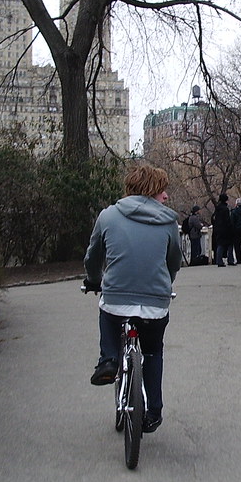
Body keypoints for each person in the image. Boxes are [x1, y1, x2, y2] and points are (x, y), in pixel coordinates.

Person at [84, 165, 181, 433]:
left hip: (116, 297)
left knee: (108, 313)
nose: (166, 196)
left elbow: (93, 256)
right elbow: (174, 261)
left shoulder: (108, 216)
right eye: (162, 190)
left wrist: (93, 280)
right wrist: (166, 283)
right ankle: (154, 411)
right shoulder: (169, 222)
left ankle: (108, 359)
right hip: (155, 303)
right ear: (151, 190)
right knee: (152, 351)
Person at [212, 193, 236, 266]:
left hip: (218, 229)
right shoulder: (225, 209)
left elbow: (213, 218)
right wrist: (231, 228)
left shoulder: (217, 209)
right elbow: (227, 220)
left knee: (220, 245)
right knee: (230, 244)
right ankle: (230, 260)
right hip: (226, 229)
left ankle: (219, 260)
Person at [230, 197, 241, 265]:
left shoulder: (233, 212)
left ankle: (239, 259)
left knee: (237, 246)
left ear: (236, 204)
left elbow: (232, 222)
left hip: (236, 231)